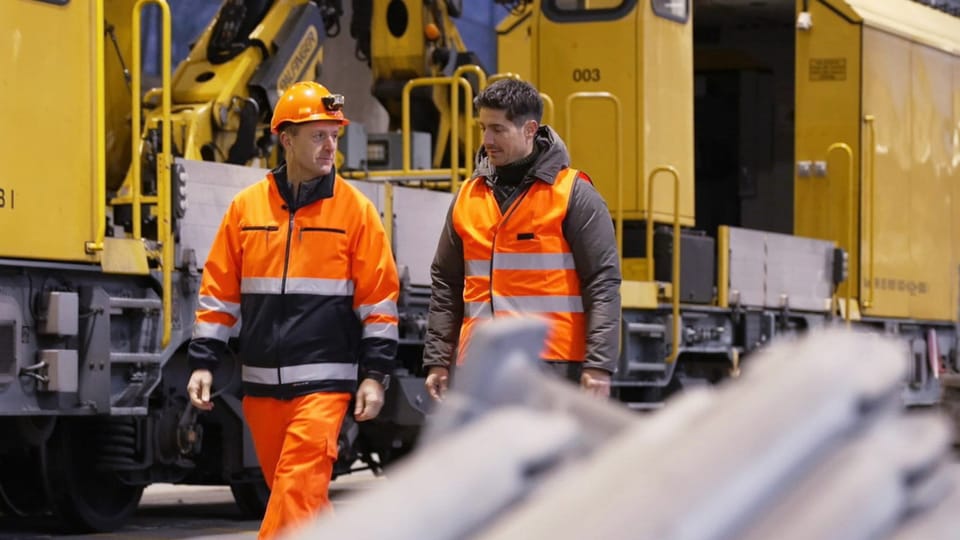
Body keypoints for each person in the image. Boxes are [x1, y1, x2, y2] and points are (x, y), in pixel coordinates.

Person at [185, 81, 399, 540]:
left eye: (334, 136)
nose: (330, 146)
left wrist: (374, 376)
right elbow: (218, 292)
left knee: (295, 495)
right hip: (261, 389)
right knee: (306, 506)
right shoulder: (246, 208)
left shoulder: (357, 213)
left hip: (324, 388)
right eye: (318, 135)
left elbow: (378, 303)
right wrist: (203, 362)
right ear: (286, 139)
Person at [422, 78, 622, 402]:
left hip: (552, 368)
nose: (486, 139)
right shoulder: (467, 197)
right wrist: (438, 361)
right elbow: (446, 283)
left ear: (530, 130)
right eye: (483, 127)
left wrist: (599, 365)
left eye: (498, 129)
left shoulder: (573, 193)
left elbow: (602, 282)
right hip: (479, 367)